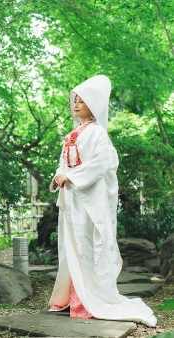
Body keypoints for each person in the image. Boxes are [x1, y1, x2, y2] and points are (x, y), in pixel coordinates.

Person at [48, 75, 157, 327]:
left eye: (81, 101)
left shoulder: (98, 134)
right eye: (74, 100)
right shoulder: (71, 133)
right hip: (73, 199)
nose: (75, 105)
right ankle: (70, 298)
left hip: (88, 200)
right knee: (72, 247)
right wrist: (59, 177)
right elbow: (63, 164)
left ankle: (87, 300)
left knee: (88, 245)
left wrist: (71, 177)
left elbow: (100, 165)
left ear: (92, 106)